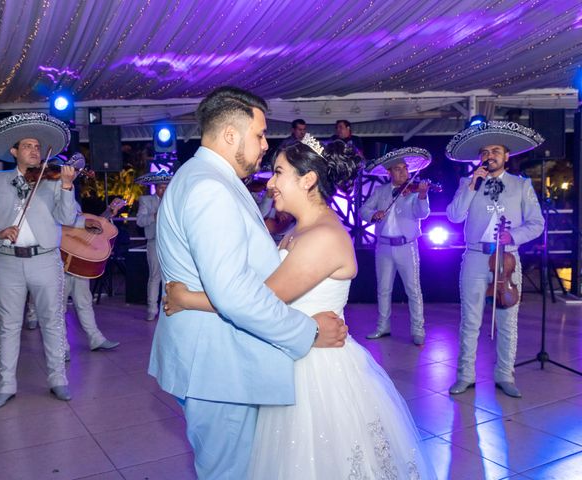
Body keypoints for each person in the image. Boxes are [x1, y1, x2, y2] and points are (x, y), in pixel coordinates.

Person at [164, 134, 436, 479]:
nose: (271, 182)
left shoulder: (322, 236)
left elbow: (259, 300)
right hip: (295, 351)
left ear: (308, 180)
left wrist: (188, 299)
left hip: (317, 370)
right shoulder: (299, 228)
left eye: (279, 172)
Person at [149, 86, 347, 480]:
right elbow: (234, 293)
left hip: (213, 360)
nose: (264, 145)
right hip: (218, 368)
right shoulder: (210, 187)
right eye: (258, 135)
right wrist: (308, 332)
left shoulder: (202, 177)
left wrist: (188, 298)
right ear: (230, 135)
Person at [0, 112, 77, 410]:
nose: (34, 150)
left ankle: (58, 380)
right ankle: (5, 385)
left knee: (52, 322)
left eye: (37, 147)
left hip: (44, 259)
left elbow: (68, 219)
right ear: (14, 151)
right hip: (6, 261)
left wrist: (67, 187)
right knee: (8, 325)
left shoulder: (53, 181)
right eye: (27, 146)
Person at [445, 120, 545, 398]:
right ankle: (465, 376)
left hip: (508, 261)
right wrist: (471, 187)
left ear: (506, 156)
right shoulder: (468, 182)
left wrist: (512, 236)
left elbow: (537, 224)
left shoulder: (521, 185)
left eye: (496, 151)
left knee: (507, 321)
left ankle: (505, 375)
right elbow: (454, 216)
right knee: (470, 320)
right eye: (486, 151)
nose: (490, 156)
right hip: (475, 257)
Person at [26, 202, 121, 355]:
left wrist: (107, 214)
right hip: (58, 257)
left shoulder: (72, 199)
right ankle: (62, 347)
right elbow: (55, 222)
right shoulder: (48, 195)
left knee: (84, 301)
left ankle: (95, 338)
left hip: (79, 256)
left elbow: (83, 222)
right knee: (58, 306)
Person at [360, 147, 432, 345]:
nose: (404, 173)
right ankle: (383, 326)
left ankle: (418, 329)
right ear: (389, 172)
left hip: (406, 246)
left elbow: (422, 213)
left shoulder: (413, 191)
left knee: (413, 289)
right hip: (383, 247)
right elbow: (363, 209)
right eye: (398, 169)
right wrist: (373, 215)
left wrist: (423, 196)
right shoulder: (381, 191)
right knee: (383, 289)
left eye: (405, 169)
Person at [136, 170, 171, 321]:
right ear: (155, 188)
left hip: (171, 244)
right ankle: (152, 309)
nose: (164, 190)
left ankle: (168, 307)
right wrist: (155, 215)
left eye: (166, 187)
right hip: (154, 242)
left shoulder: (173, 200)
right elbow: (140, 221)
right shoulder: (146, 200)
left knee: (170, 277)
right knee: (155, 276)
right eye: (161, 187)